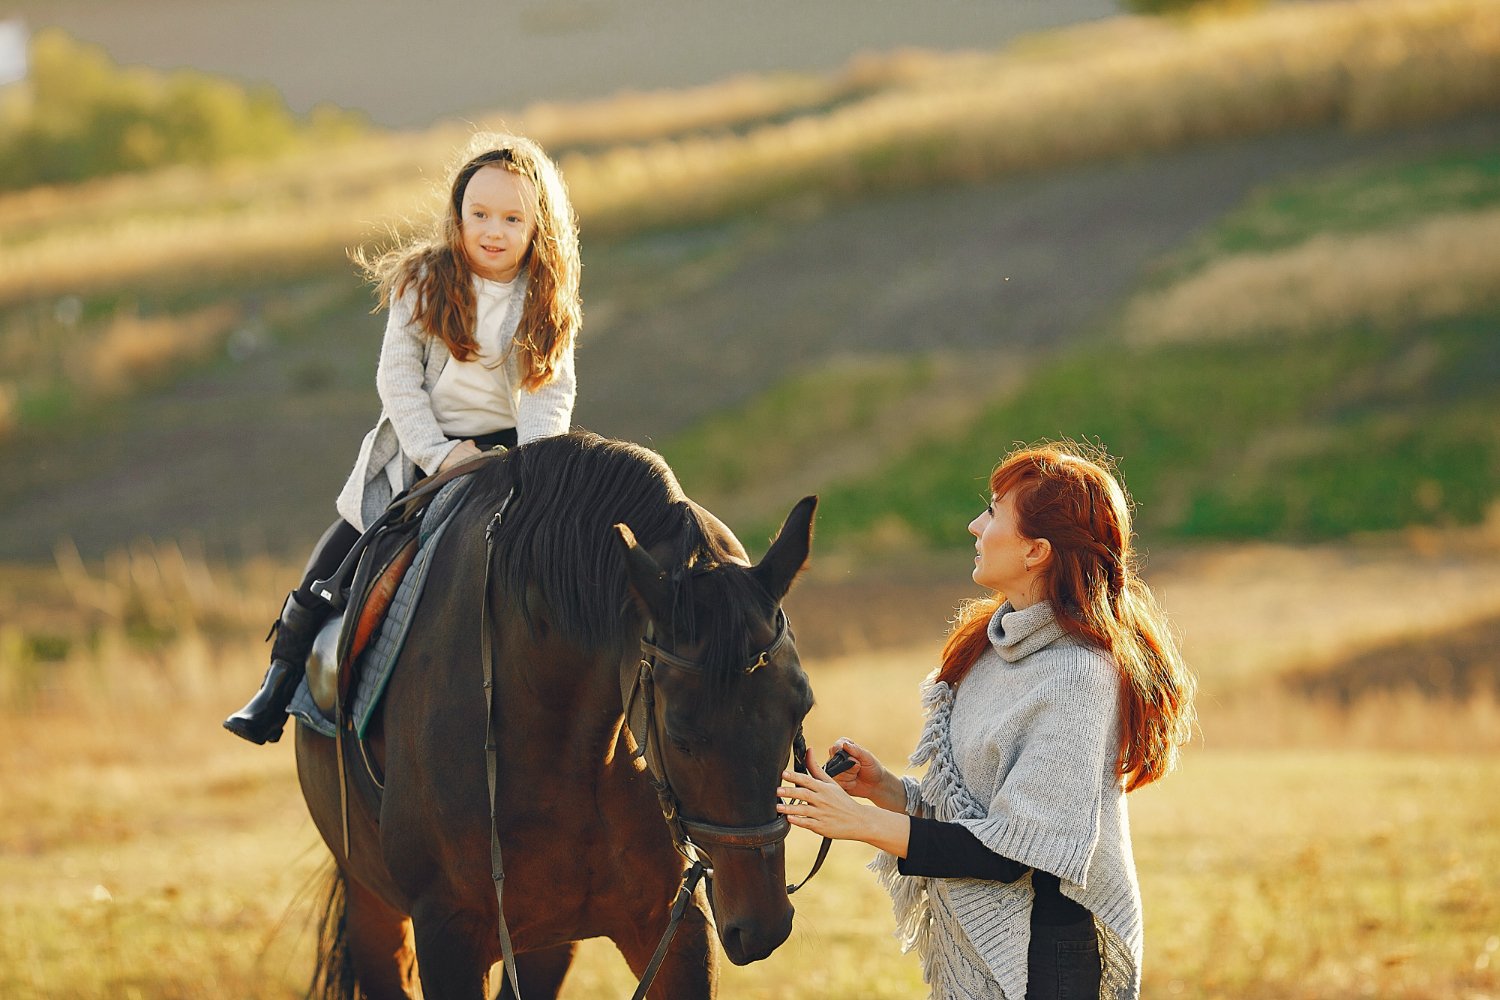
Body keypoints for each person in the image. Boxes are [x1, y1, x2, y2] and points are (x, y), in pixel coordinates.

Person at [777, 441, 1196, 1000]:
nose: (976, 525)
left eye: (995, 512)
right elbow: (977, 816)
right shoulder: (991, 645)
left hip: (1048, 960)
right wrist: (888, 792)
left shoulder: (1080, 675)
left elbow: (1011, 852)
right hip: (986, 951)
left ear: (1036, 552)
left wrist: (856, 821)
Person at [224, 132, 582, 745]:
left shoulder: (547, 299)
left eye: (512, 218)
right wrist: (442, 455)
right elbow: (398, 381)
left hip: (514, 458)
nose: (493, 231)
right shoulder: (424, 281)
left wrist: (533, 467)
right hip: (424, 452)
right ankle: (278, 683)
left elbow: (550, 392)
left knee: (578, 556)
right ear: (459, 215)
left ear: (537, 226)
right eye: (480, 215)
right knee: (337, 559)